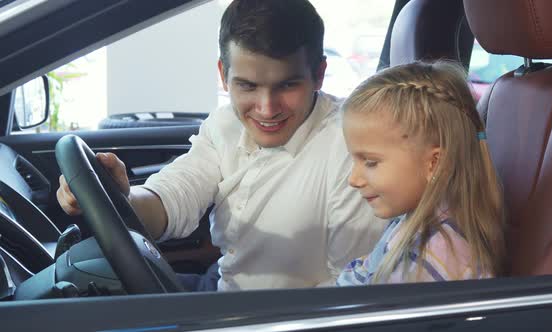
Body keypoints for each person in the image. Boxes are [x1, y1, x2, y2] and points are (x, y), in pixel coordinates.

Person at [57, 0, 385, 291]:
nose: (267, 108)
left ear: (319, 75)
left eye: (287, 85)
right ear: (223, 76)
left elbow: (352, 292)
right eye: (247, 86)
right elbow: (177, 192)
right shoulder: (224, 123)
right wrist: (121, 196)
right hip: (223, 288)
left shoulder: (351, 148)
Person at [336, 61, 505, 285]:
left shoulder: (433, 256)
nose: (353, 180)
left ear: (434, 163)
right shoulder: (410, 223)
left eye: (370, 162)